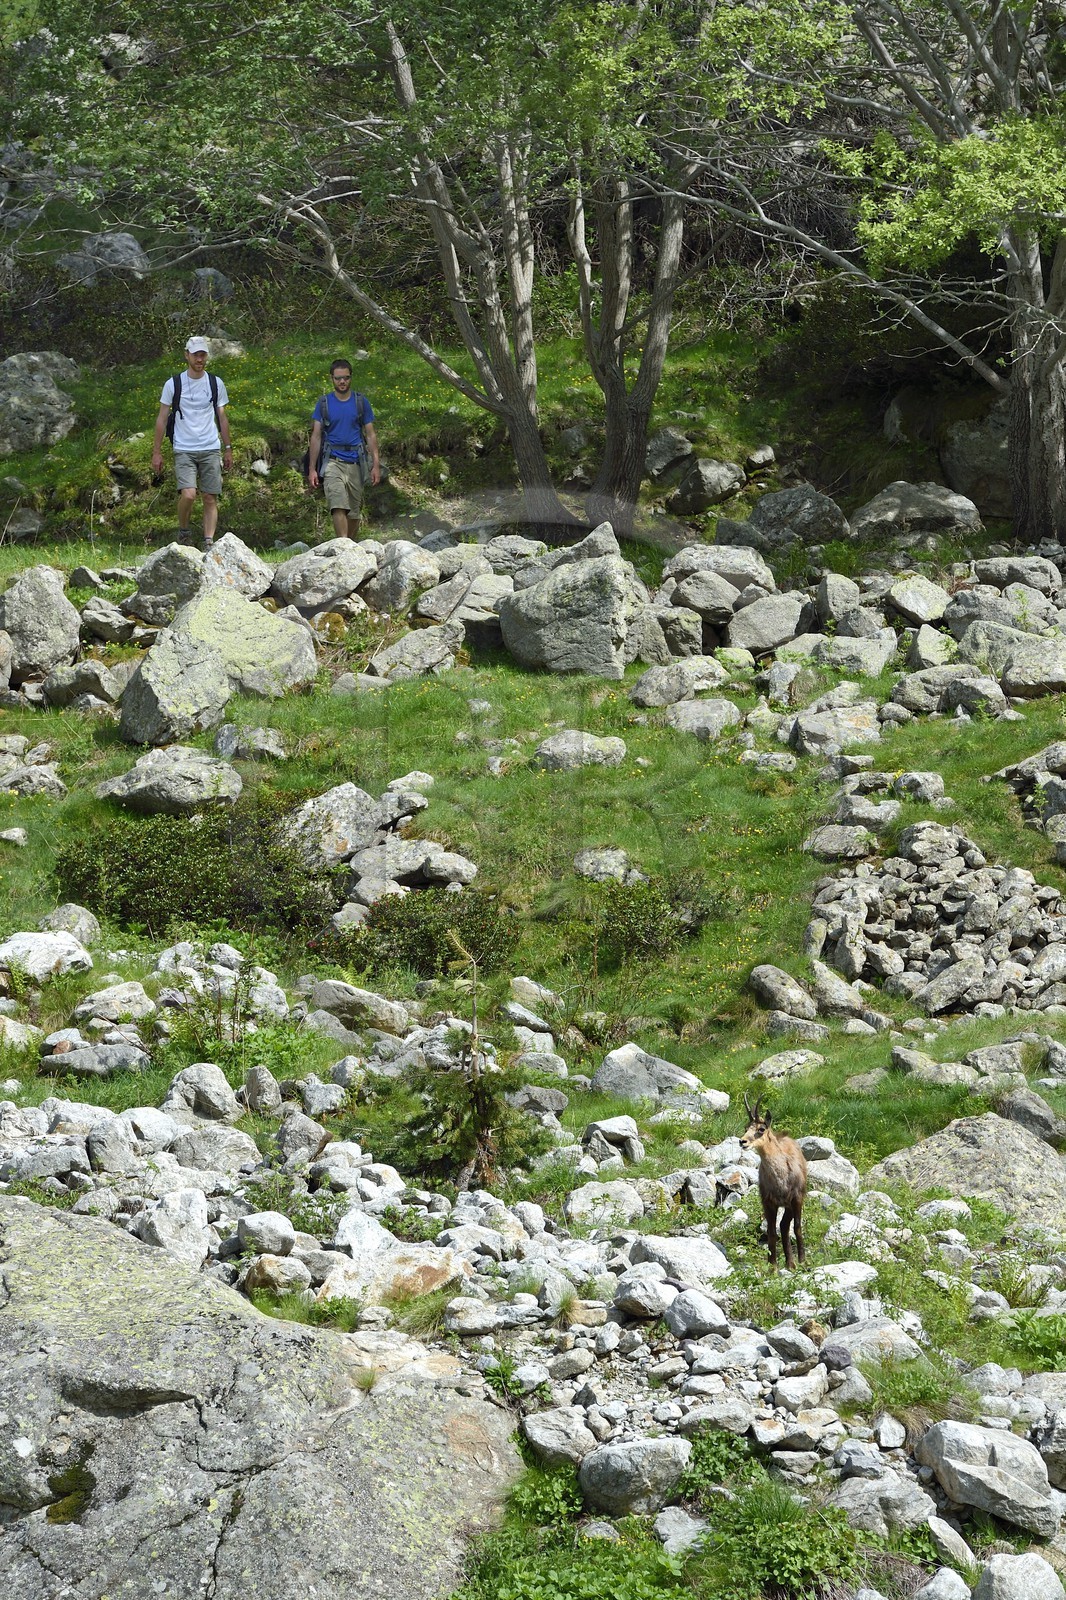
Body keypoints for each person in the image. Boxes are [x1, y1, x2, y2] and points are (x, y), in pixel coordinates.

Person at [152, 336, 232, 550]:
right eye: (196, 355)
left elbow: (222, 417)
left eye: (203, 355)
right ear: (187, 355)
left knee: (210, 496)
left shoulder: (215, 383)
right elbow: (161, 418)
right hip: (183, 448)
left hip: (210, 447)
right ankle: (184, 531)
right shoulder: (173, 384)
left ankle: (208, 541)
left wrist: (228, 448)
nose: (199, 359)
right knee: (188, 494)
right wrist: (156, 452)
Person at [308, 358, 380, 537]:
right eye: (338, 378)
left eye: (346, 378)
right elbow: (316, 436)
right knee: (338, 505)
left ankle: (350, 544)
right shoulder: (323, 404)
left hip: (356, 462)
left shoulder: (361, 402)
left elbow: (370, 434)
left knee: (354, 513)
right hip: (332, 461)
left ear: (351, 378)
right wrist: (312, 469)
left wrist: (376, 465)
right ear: (331, 378)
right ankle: (344, 545)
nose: (342, 382)